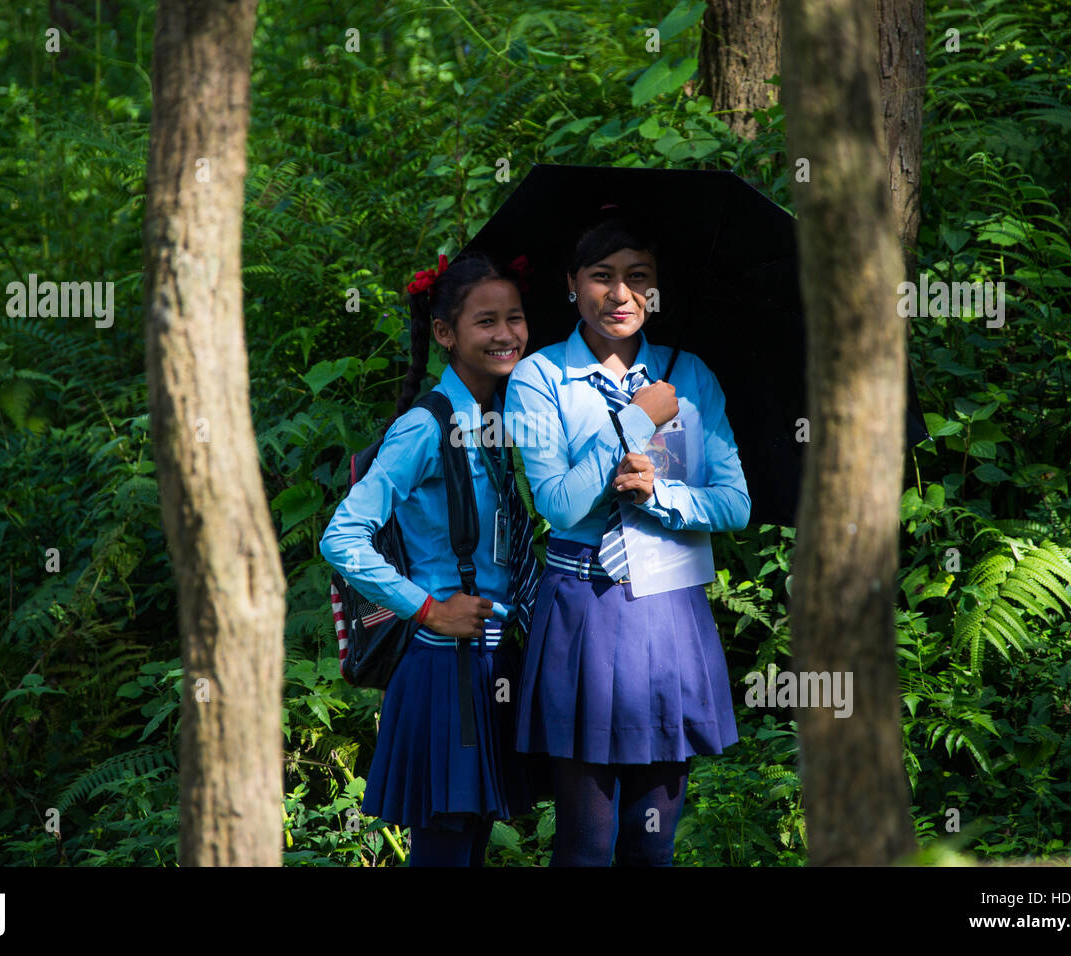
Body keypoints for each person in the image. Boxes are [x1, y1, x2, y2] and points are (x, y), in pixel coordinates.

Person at [505, 210, 751, 866]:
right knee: (584, 844)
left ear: (656, 288)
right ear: (571, 285)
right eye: (602, 277)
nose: (621, 295)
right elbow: (557, 504)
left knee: (652, 845)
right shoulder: (539, 378)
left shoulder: (688, 374)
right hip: (581, 610)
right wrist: (635, 421)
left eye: (638, 278)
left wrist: (662, 495)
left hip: (669, 614)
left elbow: (734, 504)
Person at [320, 253, 535, 867]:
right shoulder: (424, 427)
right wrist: (428, 609)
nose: (505, 334)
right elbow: (342, 537)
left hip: (490, 657)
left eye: (514, 318)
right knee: (443, 847)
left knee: (468, 844)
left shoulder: (496, 419)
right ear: (445, 333)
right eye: (486, 321)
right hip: (445, 668)